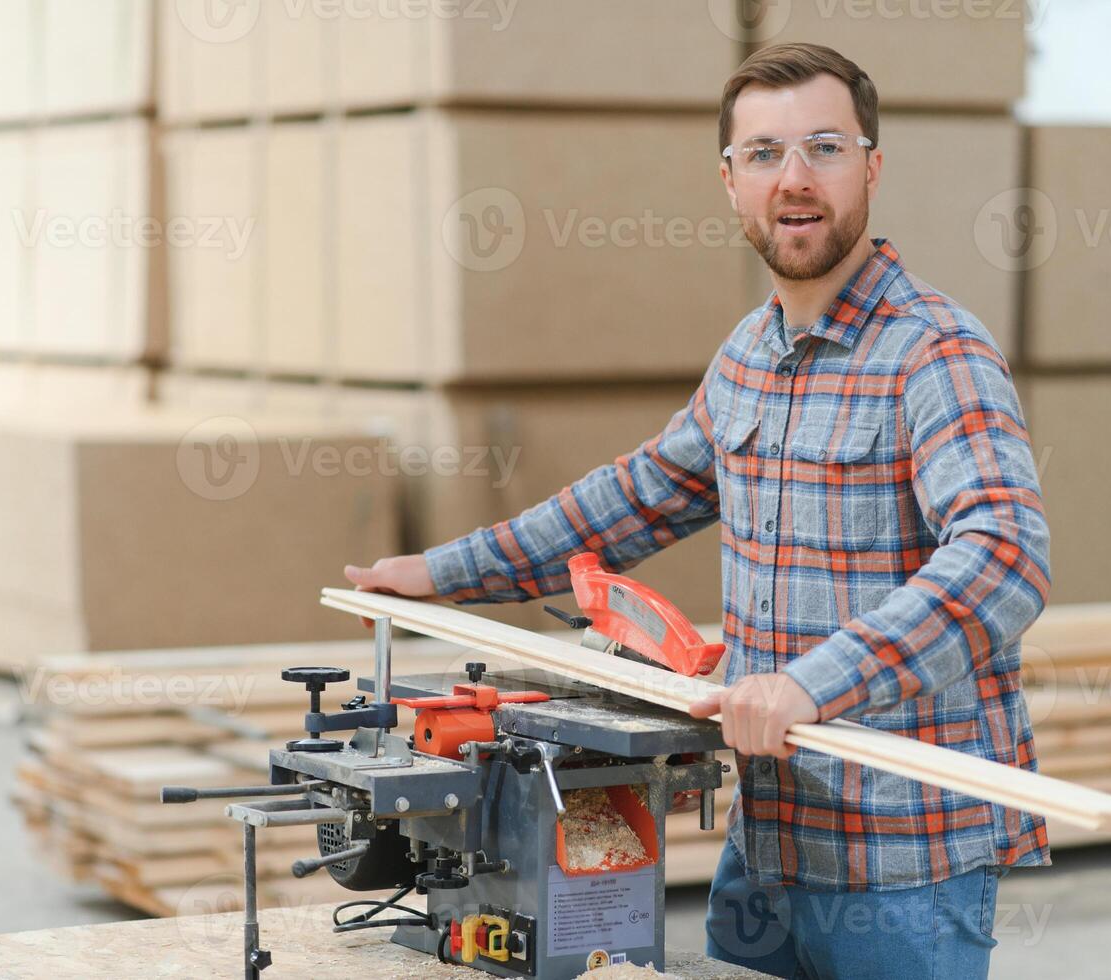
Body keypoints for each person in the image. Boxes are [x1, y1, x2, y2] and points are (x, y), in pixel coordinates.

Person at [344, 42, 1050, 980]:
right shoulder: (749, 355)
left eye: (824, 149)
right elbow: (631, 499)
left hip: (903, 868)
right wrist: (441, 573)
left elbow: (1004, 558)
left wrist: (811, 684)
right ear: (728, 182)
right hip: (765, 845)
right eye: (762, 154)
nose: (793, 180)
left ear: (872, 167)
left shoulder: (935, 352)